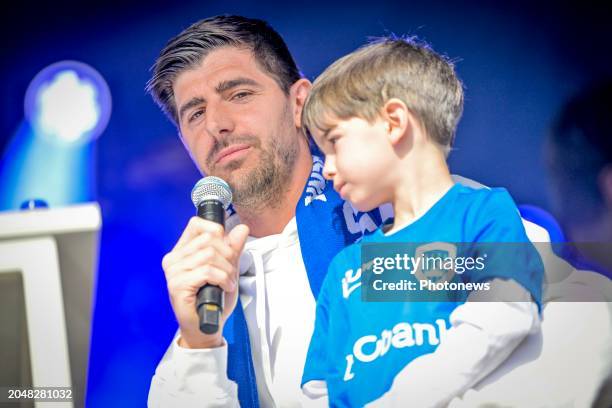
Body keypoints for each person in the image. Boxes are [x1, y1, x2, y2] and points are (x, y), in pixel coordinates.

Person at [145, 15, 391, 407]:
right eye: (195, 113)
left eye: (239, 94)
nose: (217, 125)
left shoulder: (398, 208)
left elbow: (517, 294)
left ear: (298, 103)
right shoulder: (204, 281)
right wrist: (198, 342)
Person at [300, 37, 544, 407]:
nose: (327, 168)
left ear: (395, 123)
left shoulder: (481, 213)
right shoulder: (344, 267)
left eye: (334, 143)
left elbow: (505, 312)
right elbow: (318, 388)